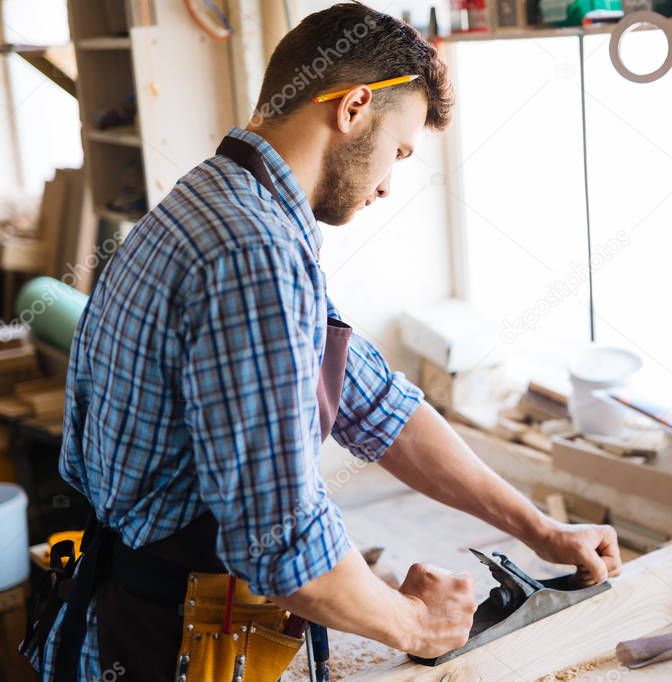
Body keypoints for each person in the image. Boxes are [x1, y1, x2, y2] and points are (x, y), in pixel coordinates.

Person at [32, 3, 621, 680]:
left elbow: (380, 407)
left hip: (144, 608)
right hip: (174, 643)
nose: (387, 185)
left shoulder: (222, 202)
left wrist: (539, 529)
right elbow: (279, 548)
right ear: (354, 108)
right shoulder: (251, 253)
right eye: (397, 151)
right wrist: (416, 624)